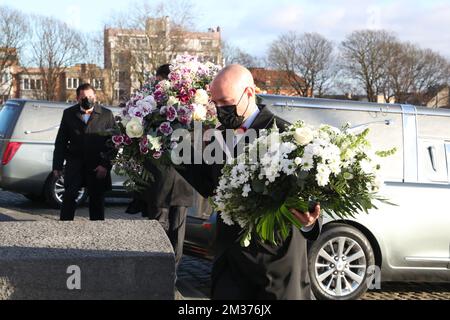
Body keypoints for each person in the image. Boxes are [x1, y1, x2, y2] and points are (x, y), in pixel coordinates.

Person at [176, 64, 322, 299]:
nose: (222, 109)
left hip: (274, 269)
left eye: (227, 101)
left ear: (249, 93)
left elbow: (310, 195)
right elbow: (212, 188)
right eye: (217, 104)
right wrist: (174, 151)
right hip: (229, 267)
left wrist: (310, 221)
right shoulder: (218, 137)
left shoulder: (285, 135)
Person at [126, 64, 194, 270]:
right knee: (175, 233)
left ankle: (160, 276)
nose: (157, 85)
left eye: (159, 80)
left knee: (160, 231)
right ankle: (169, 276)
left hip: (163, 181)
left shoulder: (156, 105)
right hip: (181, 182)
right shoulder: (187, 105)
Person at [53, 83, 116, 221]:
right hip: (75, 163)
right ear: (77, 99)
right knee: (69, 197)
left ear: (95, 96)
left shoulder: (106, 114)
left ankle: (98, 233)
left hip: (97, 164)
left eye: (90, 96)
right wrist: (57, 165)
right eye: (83, 97)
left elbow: (113, 143)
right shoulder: (69, 113)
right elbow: (61, 141)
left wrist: (105, 165)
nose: (87, 99)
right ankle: (65, 229)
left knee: (97, 200)